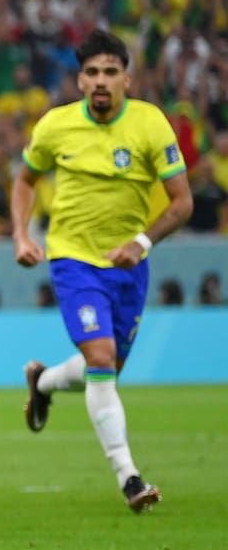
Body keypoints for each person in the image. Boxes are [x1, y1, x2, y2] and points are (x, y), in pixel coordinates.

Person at [12, 28, 193, 514]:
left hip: (128, 266)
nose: (100, 81)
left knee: (106, 369)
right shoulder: (56, 126)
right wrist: (21, 234)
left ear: (127, 80)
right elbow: (25, 179)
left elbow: (182, 203)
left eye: (110, 72)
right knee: (101, 355)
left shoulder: (151, 125)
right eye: (92, 72)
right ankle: (129, 477)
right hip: (73, 259)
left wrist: (141, 241)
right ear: (79, 80)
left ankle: (44, 381)